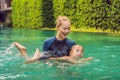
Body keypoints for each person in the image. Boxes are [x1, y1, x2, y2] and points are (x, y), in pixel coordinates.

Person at [14, 42, 93, 63]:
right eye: (77, 51)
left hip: (49, 59)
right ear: (71, 53)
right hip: (46, 59)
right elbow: (77, 63)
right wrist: (87, 59)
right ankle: (24, 51)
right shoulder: (69, 58)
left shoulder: (72, 59)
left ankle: (23, 51)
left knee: (28, 58)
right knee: (28, 62)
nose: (80, 53)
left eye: (81, 52)